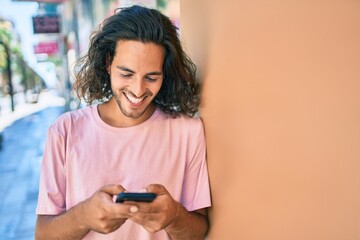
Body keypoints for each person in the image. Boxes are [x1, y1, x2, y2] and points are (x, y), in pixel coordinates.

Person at [35, 5, 211, 240]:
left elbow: (199, 232)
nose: (138, 91)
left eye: (151, 77)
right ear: (108, 63)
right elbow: (42, 235)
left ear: (165, 72)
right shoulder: (65, 131)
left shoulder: (188, 132)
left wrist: (174, 217)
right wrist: (83, 217)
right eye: (126, 74)